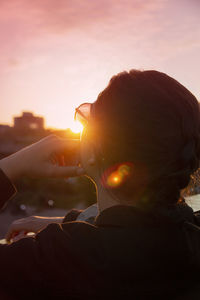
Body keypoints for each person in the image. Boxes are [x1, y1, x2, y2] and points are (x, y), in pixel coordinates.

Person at [0, 69, 200, 299]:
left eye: (88, 120)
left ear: (96, 149)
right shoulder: (191, 236)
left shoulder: (58, 259)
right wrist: (71, 220)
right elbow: (141, 226)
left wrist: (12, 166)